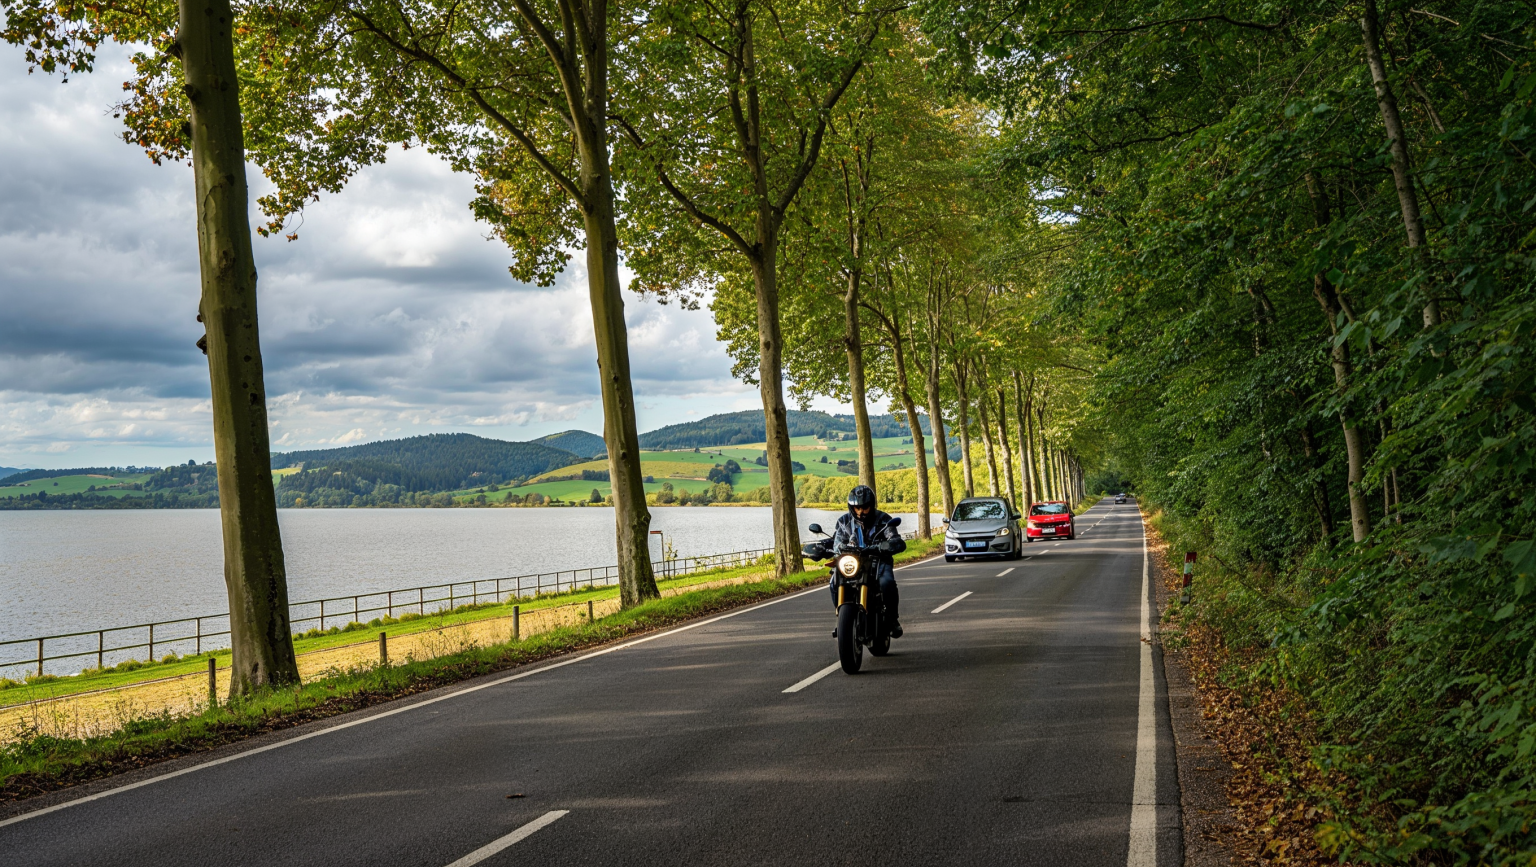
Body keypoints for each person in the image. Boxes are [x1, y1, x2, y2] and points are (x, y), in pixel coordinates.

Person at [829, 484, 906, 637]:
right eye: (857, 508)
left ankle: (892, 619)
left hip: (878, 560)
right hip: (852, 561)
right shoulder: (843, 522)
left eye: (865, 507)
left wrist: (885, 545)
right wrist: (835, 548)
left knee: (887, 582)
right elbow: (837, 542)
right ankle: (842, 620)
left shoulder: (884, 520)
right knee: (833, 582)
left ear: (871, 505)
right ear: (851, 507)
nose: (861, 512)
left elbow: (896, 540)